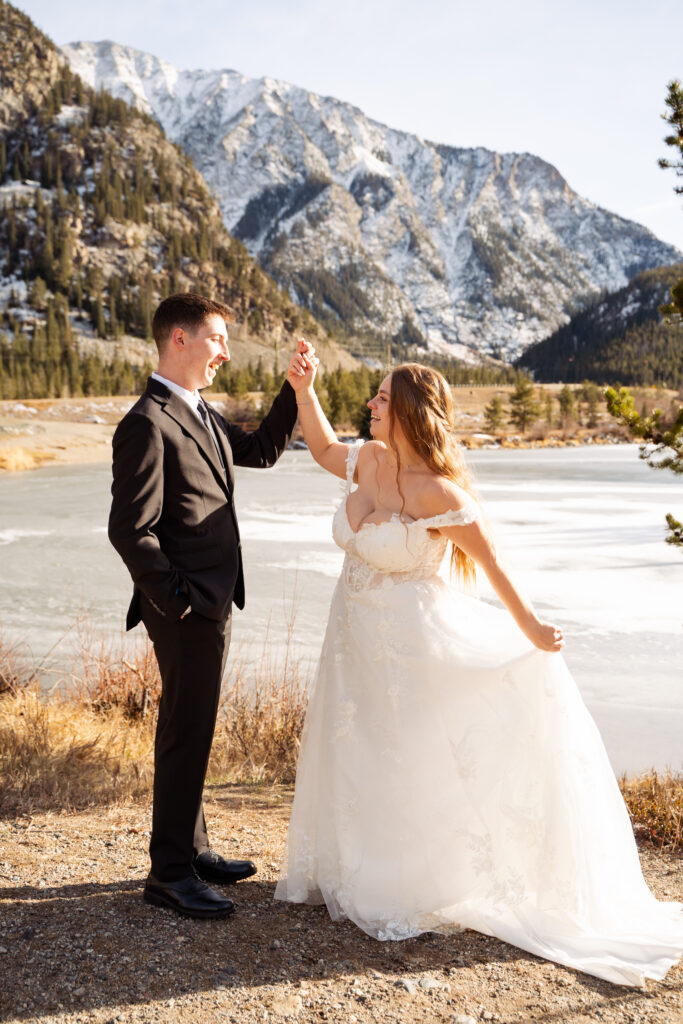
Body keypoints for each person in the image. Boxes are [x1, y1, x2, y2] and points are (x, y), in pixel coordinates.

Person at [275, 356, 683, 986]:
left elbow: (494, 566)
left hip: (413, 650)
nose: (372, 406)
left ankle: (412, 881)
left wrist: (533, 629)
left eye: (382, 399)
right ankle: (356, 868)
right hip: (352, 644)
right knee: (357, 750)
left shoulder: (442, 494)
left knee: (410, 757)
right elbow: (323, 447)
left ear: (409, 412)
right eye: (374, 397)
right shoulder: (369, 460)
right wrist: (305, 391)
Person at [109, 292, 313, 920]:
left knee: (188, 725)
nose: (225, 351)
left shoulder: (196, 410)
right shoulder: (148, 422)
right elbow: (129, 530)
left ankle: (191, 850)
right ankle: (169, 874)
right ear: (180, 338)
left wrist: (294, 392)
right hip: (188, 608)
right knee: (187, 731)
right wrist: (179, 602)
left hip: (208, 601)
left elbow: (263, 450)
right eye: (218, 338)